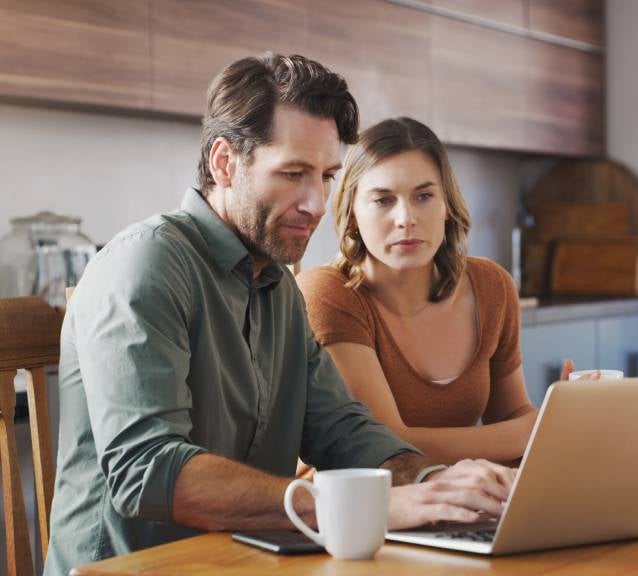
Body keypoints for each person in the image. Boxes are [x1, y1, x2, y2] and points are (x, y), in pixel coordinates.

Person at [44, 54, 512, 575]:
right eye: (293, 173)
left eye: (327, 176)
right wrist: (358, 506)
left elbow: (340, 428)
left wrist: (431, 485)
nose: (315, 204)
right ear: (224, 162)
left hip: (244, 562)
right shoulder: (147, 263)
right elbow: (149, 471)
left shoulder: (275, 283)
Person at [296, 117, 583, 466]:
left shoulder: (492, 286)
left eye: (424, 196)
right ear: (352, 213)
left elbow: (511, 415)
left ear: (446, 204)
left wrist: (561, 415)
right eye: (383, 200)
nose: (406, 218)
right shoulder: (328, 294)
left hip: (461, 502)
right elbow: (385, 444)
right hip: (356, 510)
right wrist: (533, 430)